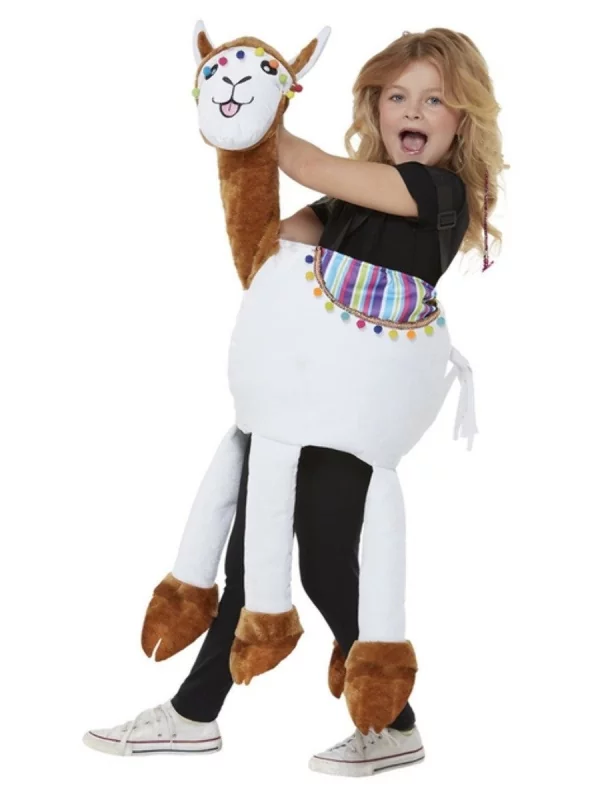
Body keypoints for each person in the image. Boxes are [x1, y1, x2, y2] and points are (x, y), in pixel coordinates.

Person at [83, 27, 505, 777]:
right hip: (292, 405)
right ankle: (193, 714)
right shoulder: (345, 203)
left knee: (322, 561)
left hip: (348, 415)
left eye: (434, 100)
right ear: (375, 108)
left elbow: (306, 161)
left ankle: (394, 719)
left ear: (461, 119)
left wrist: (246, 106)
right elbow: (265, 245)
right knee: (251, 552)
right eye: (396, 96)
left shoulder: (436, 195)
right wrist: (239, 156)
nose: (412, 111)